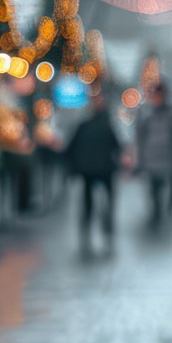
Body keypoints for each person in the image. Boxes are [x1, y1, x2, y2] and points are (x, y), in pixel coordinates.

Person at [66, 91, 121, 256]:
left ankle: (86, 233)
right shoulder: (107, 126)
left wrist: (74, 167)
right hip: (105, 170)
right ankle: (108, 231)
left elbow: (71, 148)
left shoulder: (83, 126)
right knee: (108, 203)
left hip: (87, 171)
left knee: (87, 204)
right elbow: (117, 146)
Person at [135, 82, 172, 223]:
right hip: (152, 160)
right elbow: (141, 139)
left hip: (168, 160)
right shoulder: (147, 115)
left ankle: (164, 210)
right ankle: (157, 213)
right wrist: (140, 160)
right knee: (154, 190)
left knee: (166, 188)